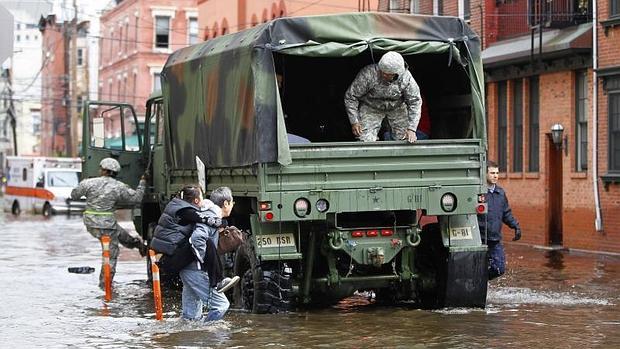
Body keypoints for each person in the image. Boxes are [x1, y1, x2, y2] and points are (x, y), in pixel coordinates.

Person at [70, 158, 147, 287]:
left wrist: (86, 186)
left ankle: (137, 244)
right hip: (107, 225)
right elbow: (136, 198)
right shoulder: (119, 186)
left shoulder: (88, 183)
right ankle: (105, 285)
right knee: (110, 255)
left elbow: (74, 195)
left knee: (120, 234)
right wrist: (143, 182)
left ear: (103, 170)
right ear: (115, 172)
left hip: (91, 224)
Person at [179, 186, 240, 322]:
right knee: (221, 305)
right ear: (226, 203)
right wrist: (203, 259)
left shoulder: (207, 214)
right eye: (232, 203)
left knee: (190, 318)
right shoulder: (212, 215)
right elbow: (197, 238)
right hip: (195, 269)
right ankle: (206, 332)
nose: (232, 206)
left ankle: (191, 337)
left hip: (187, 268)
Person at [344, 51, 422, 143]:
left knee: (405, 138)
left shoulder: (406, 79)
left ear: (396, 74)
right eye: (382, 72)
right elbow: (351, 97)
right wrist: (355, 121)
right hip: (371, 107)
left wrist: (412, 128)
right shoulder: (368, 74)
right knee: (365, 139)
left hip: (397, 107)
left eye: (387, 74)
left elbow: (415, 102)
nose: (383, 75)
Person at [477, 161, 522, 280]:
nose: (495, 176)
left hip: (495, 240)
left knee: (499, 268)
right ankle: (478, 284)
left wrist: (515, 226)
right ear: (485, 174)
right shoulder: (478, 192)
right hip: (479, 239)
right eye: (492, 173)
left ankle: (481, 281)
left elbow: (506, 213)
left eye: (497, 173)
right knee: (476, 267)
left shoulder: (500, 193)